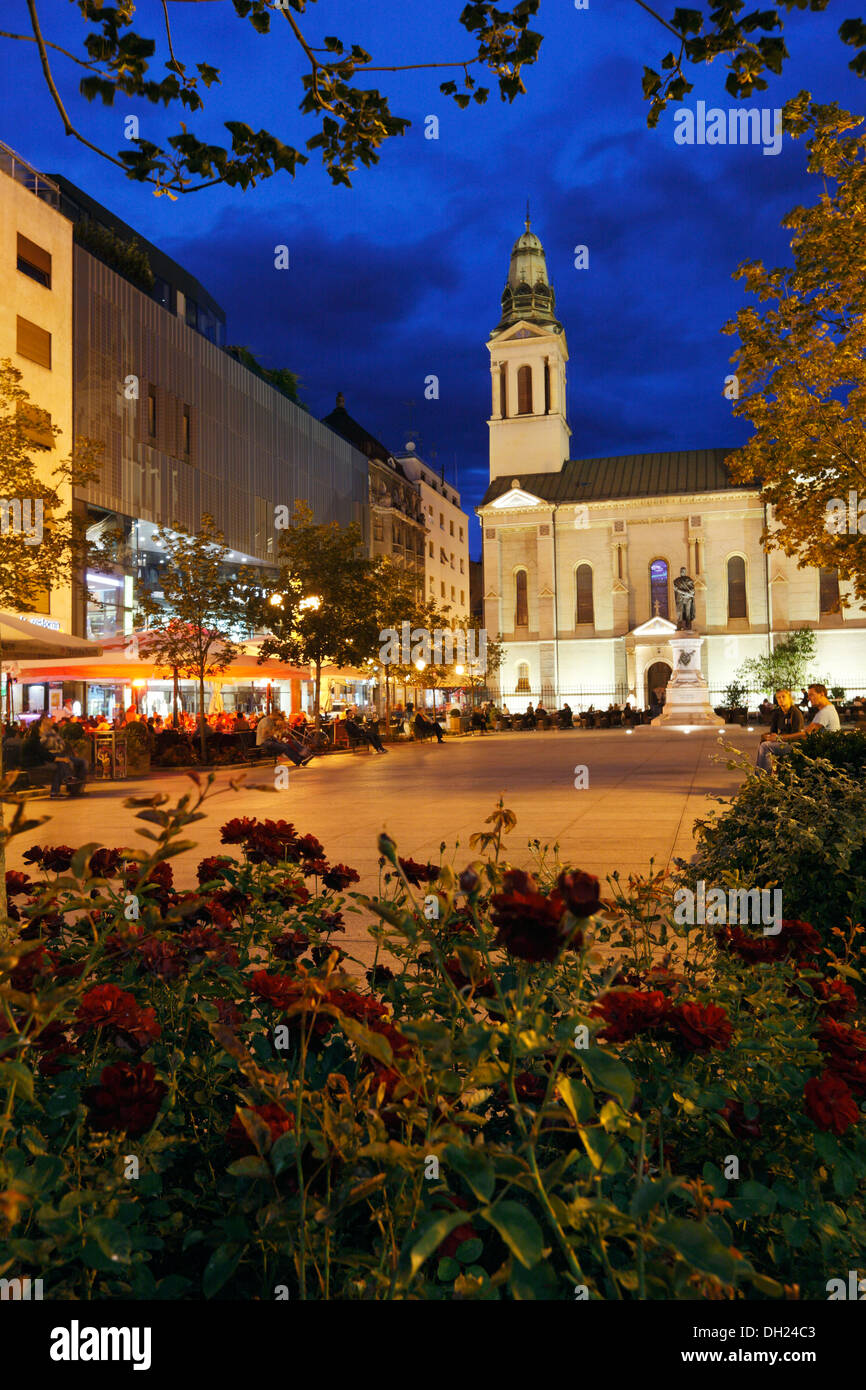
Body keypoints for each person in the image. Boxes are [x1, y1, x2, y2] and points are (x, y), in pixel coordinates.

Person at [756, 684, 838, 772]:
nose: (808, 698)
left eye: (811, 695)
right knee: (764, 743)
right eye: (778, 697)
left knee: (766, 746)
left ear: (821, 694)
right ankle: (764, 777)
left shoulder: (824, 712)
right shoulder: (827, 710)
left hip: (812, 748)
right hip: (817, 745)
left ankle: (764, 779)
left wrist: (779, 738)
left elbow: (805, 735)